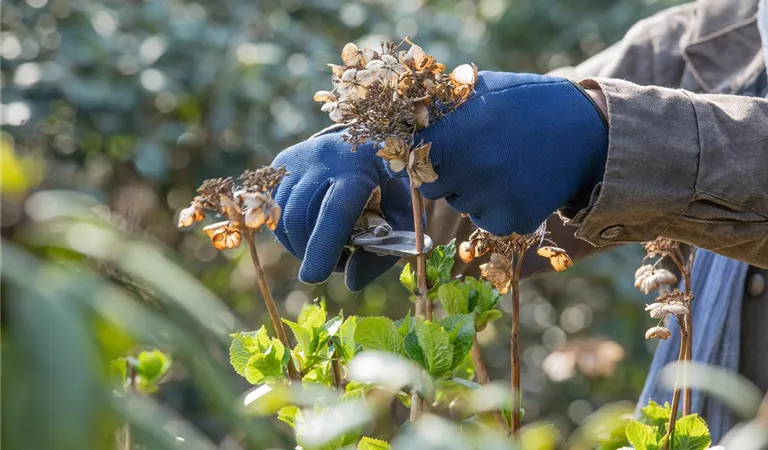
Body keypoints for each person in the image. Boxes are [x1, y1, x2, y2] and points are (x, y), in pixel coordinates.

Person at [271, 0, 768, 441]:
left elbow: (582, 125)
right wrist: (392, 170)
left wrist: (606, 138)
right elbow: (523, 132)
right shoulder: (719, 35)